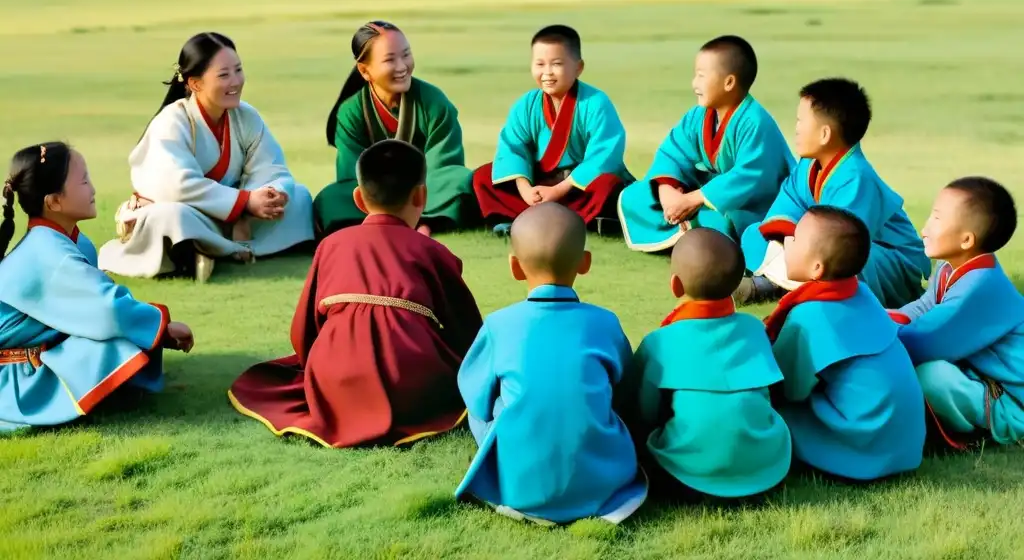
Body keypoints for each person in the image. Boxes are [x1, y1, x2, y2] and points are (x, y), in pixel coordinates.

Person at [229, 140, 482, 448]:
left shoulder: (331, 245)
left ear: (359, 199)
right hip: (414, 383)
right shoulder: (434, 251)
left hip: (334, 380)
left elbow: (304, 329)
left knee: (275, 376)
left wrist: (314, 365)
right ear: (421, 195)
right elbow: (467, 332)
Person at [455, 203, 647, 525]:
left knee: (485, 405)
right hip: (601, 484)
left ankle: (511, 462)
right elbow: (625, 390)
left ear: (515, 267)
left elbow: (475, 396)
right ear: (585, 263)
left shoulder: (499, 324)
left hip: (520, 488)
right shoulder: (605, 323)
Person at [1, 143, 193, 434]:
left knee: (124, 336)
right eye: (83, 181)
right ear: (53, 202)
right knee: (115, 343)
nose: (92, 188)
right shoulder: (50, 254)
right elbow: (107, 310)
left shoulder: (68, 242)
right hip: (16, 373)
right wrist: (162, 327)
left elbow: (98, 300)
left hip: (43, 348)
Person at [97, 32, 314, 283]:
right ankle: (222, 247)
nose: (235, 81)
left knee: (298, 197)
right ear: (195, 83)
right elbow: (176, 186)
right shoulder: (172, 121)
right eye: (224, 75)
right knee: (172, 218)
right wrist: (243, 202)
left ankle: (207, 250)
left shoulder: (246, 117)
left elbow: (271, 167)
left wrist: (265, 196)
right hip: (190, 210)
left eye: (238, 70)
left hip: (233, 213)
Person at [624, 228, 791, 500]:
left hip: (686, 474)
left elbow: (643, 412)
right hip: (764, 466)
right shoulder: (753, 329)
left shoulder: (660, 341)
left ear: (675, 284)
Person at [765, 206, 924, 480]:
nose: (788, 240)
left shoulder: (810, 316)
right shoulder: (861, 292)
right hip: (904, 443)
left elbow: (788, 388)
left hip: (864, 441)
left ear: (817, 267)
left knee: (765, 417)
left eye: (796, 237)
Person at [738, 78, 929, 307]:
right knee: (754, 234)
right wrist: (791, 241)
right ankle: (790, 284)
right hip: (813, 248)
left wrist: (796, 245)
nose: (796, 128)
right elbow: (785, 208)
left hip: (886, 260)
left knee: (843, 263)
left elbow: (842, 244)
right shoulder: (808, 165)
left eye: (801, 121)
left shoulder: (856, 177)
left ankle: (774, 286)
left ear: (825, 134)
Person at [618, 36, 793, 253]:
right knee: (634, 196)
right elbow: (672, 153)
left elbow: (751, 177)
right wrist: (668, 194)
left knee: (728, 221)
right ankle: (687, 232)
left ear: (729, 82)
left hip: (750, 204)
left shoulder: (755, 122)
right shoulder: (697, 116)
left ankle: (688, 232)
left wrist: (693, 199)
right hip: (707, 195)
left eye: (701, 76)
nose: (694, 84)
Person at [893, 177, 1024, 449]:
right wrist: (882, 317)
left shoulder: (981, 286)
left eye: (937, 219)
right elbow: (924, 307)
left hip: (1011, 401)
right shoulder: (950, 267)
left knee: (930, 376)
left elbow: (923, 341)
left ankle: (986, 432)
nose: (925, 229)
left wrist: (868, 334)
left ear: (967, 239)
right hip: (982, 378)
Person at [314, 21, 475, 237]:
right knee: (332, 197)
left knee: (459, 180)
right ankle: (384, 223)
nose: (402, 66)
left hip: (424, 192)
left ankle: (425, 224)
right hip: (375, 198)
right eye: (390, 60)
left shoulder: (434, 102)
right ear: (364, 70)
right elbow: (351, 175)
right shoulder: (351, 111)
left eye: (406, 55)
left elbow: (444, 166)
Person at [472, 25, 632, 233]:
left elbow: (604, 156)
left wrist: (558, 190)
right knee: (484, 176)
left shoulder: (596, 103)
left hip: (576, 188)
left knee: (607, 185)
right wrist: (526, 190)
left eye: (556, 64)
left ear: (578, 67)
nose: (547, 73)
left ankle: (566, 221)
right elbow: (512, 149)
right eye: (540, 64)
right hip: (537, 187)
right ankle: (518, 218)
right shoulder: (526, 105)